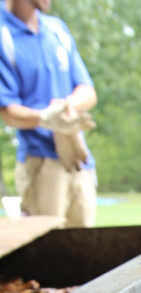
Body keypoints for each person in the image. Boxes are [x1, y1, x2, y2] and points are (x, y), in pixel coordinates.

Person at [0, 0, 98, 227]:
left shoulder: (56, 29)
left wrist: (66, 107)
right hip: (40, 163)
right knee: (48, 255)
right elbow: (8, 111)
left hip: (78, 158)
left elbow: (88, 91)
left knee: (87, 252)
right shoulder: (4, 34)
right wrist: (46, 118)